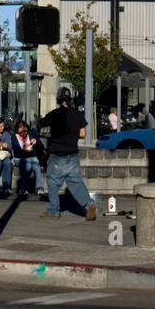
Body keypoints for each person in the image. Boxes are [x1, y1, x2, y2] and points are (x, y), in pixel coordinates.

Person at [39, 87, 96, 221]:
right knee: (75, 182)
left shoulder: (54, 114)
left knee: (52, 181)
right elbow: (83, 134)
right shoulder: (78, 114)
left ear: (58, 100)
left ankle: (53, 211)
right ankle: (89, 205)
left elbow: (41, 125)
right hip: (72, 154)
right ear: (70, 99)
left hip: (57, 153)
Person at [12, 119, 46, 198]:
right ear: (17, 132)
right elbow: (16, 153)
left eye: (26, 131)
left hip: (31, 157)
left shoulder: (32, 133)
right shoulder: (14, 137)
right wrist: (24, 150)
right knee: (30, 161)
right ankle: (25, 188)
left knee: (34, 161)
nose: (24, 133)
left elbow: (41, 147)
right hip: (19, 158)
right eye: (21, 132)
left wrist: (36, 142)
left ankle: (38, 188)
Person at [0, 117, 14, 198]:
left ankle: (7, 188)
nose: (2, 128)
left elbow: (10, 147)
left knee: (8, 163)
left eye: (3, 126)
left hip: (4, 155)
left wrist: (5, 145)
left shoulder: (6, 134)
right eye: (0, 126)